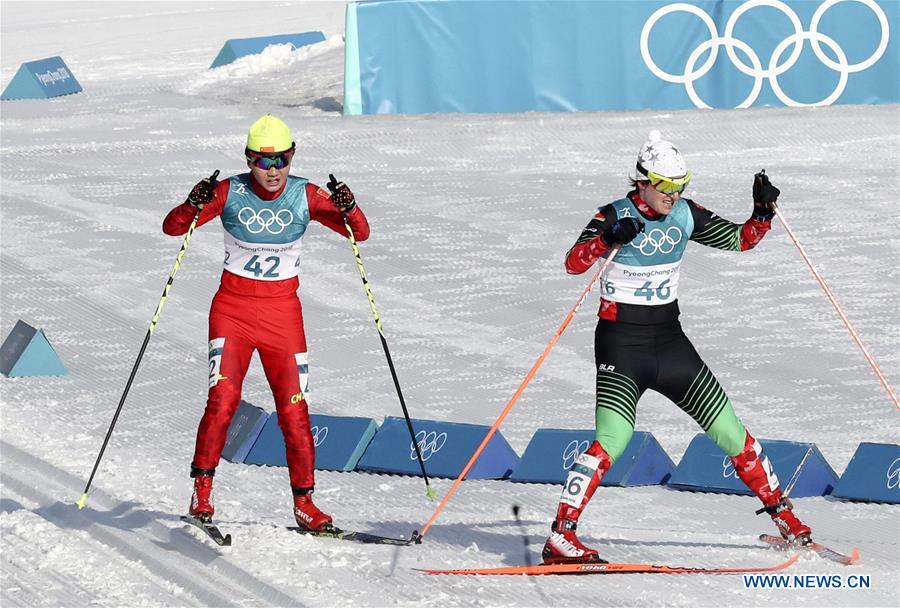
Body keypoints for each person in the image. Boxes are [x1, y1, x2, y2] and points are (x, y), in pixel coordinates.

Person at [541, 130, 812, 564]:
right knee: (613, 438)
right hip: (622, 345)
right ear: (642, 181)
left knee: (729, 428)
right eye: (666, 185)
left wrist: (763, 211)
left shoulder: (684, 214)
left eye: (681, 184)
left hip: (670, 343)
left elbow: (742, 239)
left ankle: (785, 518)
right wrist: (608, 238)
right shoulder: (612, 213)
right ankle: (561, 536)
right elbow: (573, 264)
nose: (674, 193)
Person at [162, 114, 369, 531]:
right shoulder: (229, 191)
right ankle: (201, 495)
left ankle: (305, 504)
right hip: (232, 313)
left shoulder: (305, 195)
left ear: (292, 158)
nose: (273, 172)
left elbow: (358, 233)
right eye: (262, 161)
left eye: (282, 161)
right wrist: (193, 202)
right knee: (222, 403)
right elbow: (173, 228)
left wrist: (350, 206)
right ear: (249, 159)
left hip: (282, 317)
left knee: (294, 411)